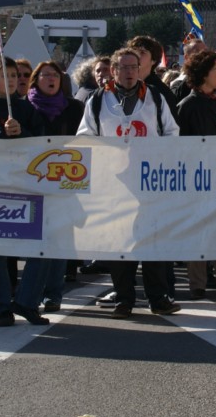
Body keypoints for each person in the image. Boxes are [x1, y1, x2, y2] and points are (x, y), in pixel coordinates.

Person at [76, 47, 181, 319]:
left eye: (133, 66)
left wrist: (156, 153)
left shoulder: (155, 98)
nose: (129, 71)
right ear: (113, 70)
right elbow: (85, 135)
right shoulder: (98, 101)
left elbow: (172, 132)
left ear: (140, 69)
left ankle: (158, 298)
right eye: (123, 67)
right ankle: (124, 298)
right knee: (120, 244)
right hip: (115, 185)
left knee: (152, 242)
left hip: (149, 183)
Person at [0, 56, 50, 326]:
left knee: (41, 249)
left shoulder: (29, 111)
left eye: (15, 75)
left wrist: (23, 132)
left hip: (26, 188)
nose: (13, 80)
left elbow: (43, 148)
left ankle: (26, 301)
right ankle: (2, 306)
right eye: (5, 75)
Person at [176, 49, 216, 299]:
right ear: (203, 74)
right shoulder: (187, 106)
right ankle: (198, 283)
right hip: (197, 180)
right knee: (199, 230)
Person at [25, 60, 85, 313]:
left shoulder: (74, 108)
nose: (51, 79)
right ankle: (31, 291)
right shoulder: (24, 107)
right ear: (36, 79)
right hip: (33, 181)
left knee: (60, 240)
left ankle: (53, 294)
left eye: (55, 75)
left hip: (66, 181)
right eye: (45, 75)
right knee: (35, 242)